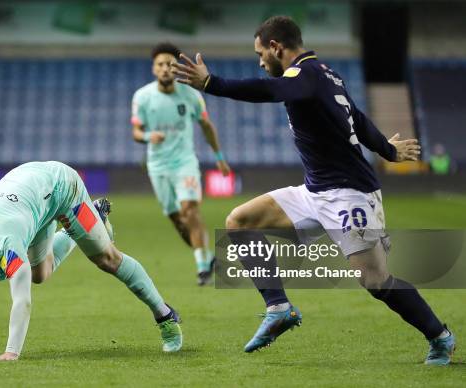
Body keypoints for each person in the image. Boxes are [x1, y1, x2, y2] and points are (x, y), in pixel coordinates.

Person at [171, 15, 455, 365]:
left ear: (277, 47)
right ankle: (279, 308)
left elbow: (269, 91)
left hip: (350, 195)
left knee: (376, 281)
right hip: (315, 192)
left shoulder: (302, 75)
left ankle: (440, 337)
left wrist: (212, 83)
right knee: (239, 221)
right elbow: (359, 118)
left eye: (261, 54)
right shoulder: (326, 74)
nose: (261, 62)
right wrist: (388, 150)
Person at [0, 161, 182, 361]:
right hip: (28, 200)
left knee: (107, 259)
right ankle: (90, 221)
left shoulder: (7, 249)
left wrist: (11, 352)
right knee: (40, 274)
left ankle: (165, 317)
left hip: (61, 187)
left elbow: (22, 301)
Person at [131, 42, 231, 286]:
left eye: (169, 64)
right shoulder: (142, 97)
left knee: (190, 209)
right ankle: (207, 258)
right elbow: (136, 131)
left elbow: (207, 126)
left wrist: (219, 158)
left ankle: (201, 268)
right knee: (178, 220)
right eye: (160, 64)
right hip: (157, 165)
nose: (165, 68)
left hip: (185, 162)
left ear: (175, 68)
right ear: (154, 69)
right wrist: (147, 137)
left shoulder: (191, 95)